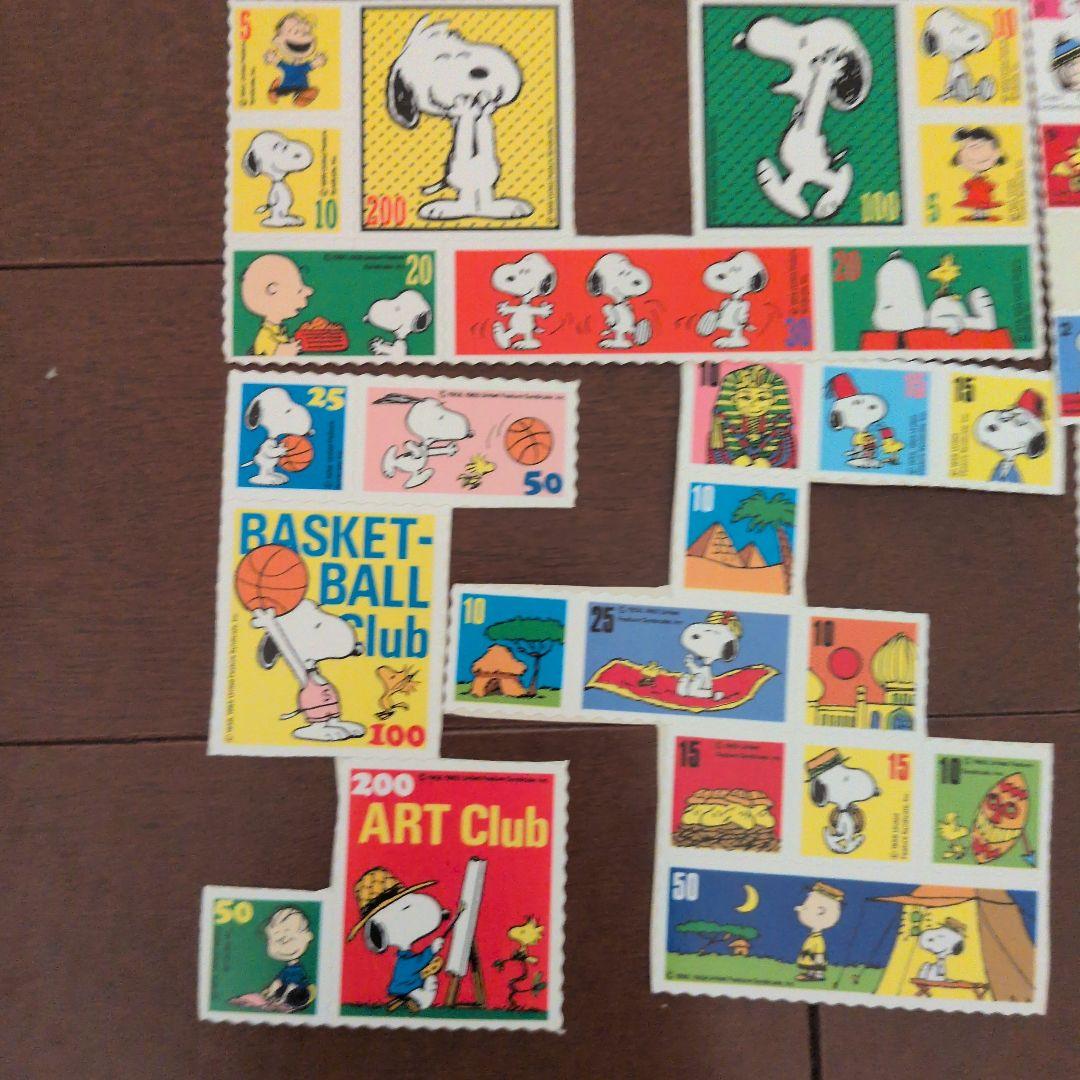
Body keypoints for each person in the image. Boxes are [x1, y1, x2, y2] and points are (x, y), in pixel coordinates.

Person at [794, 881, 844, 982]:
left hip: (816, 945)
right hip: (814, 941)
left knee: (817, 958)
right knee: (812, 958)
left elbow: (818, 952)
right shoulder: (814, 936)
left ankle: (818, 975)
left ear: (821, 911)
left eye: (807, 906)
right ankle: (810, 973)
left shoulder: (817, 938)